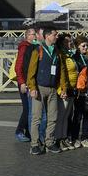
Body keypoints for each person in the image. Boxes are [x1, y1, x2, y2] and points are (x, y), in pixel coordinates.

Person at [25, 27, 70, 155]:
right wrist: (32, 88)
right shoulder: (38, 50)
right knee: (37, 117)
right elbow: (31, 71)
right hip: (40, 88)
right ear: (47, 36)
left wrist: (63, 88)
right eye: (55, 35)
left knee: (53, 117)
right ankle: (34, 144)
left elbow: (61, 71)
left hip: (53, 89)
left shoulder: (57, 51)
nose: (57, 37)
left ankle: (49, 142)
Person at [54, 34, 78, 150]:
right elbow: (60, 74)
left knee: (67, 115)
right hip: (64, 89)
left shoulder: (70, 55)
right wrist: (61, 89)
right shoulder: (61, 55)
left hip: (72, 88)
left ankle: (64, 137)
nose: (70, 44)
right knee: (61, 115)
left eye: (70, 41)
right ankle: (58, 138)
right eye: (67, 42)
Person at [13, 27, 36, 143]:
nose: (34, 36)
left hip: (30, 82)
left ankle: (28, 132)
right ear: (27, 36)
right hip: (24, 82)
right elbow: (18, 66)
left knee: (30, 109)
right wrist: (21, 82)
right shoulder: (24, 47)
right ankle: (19, 131)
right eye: (32, 34)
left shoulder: (34, 47)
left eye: (35, 34)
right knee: (27, 109)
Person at [70, 36, 88, 148]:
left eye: (87, 45)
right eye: (83, 46)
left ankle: (85, 137)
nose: (86, 47)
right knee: (77, 116)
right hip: (79, 90)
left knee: (87, 115)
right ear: (78, 47)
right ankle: (74, 137)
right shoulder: (75, 58)